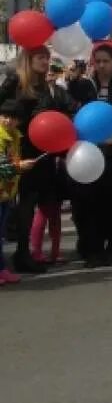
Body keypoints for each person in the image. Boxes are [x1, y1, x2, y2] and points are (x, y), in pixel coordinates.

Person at [0, 46, 73, 274]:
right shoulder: (15, 82)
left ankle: (27, 252)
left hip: (42, 153)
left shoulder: (45, 86)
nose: (45, 61)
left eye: (47, 57)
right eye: (41, 57)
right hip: (19, 151)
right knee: (21, 205)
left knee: (33, 204)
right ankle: (20, 255)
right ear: (28, 60)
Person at [72, 44, 112, 268]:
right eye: (97, 61)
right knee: (88, 204)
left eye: (105, 61)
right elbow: (75, 110)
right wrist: (77, 79)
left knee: (110, 204)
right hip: (87, 153)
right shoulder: (87, 87)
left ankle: (111, 247)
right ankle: (91, 248)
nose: (101, 65)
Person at [0, 98, 37, 284]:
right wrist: (20, 165)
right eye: (4, 116)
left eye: (12, 118)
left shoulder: (14, 136)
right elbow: (3, 166)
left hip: (6, 193)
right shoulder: (1, 137)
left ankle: (2, 269)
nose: (7, 121)